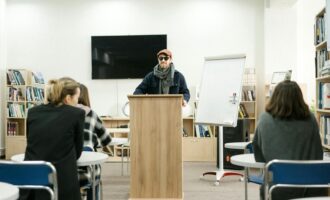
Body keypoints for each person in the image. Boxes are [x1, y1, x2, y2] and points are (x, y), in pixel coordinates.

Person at [252, 80, 326, 200]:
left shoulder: (264, 120)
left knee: (264, 186)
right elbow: (318, 155)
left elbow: (258, 157)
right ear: (299, 99)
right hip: (310, 189)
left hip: (277, 188)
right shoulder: (311, 120)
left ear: (275, 97)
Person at [22, 77, 85, 200]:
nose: (78, 101)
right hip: (62, 181)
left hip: (32, 179)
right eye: (77, 97)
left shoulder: (33, 112)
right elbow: (78, 151)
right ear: (68, 98)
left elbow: (31, 140)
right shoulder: (76, 114)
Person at [77, 83, 112, 200]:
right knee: (94, 172)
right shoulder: (91, 114)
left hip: (64, 170)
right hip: (88, 171)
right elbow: (106, 139)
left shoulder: (64, 114)